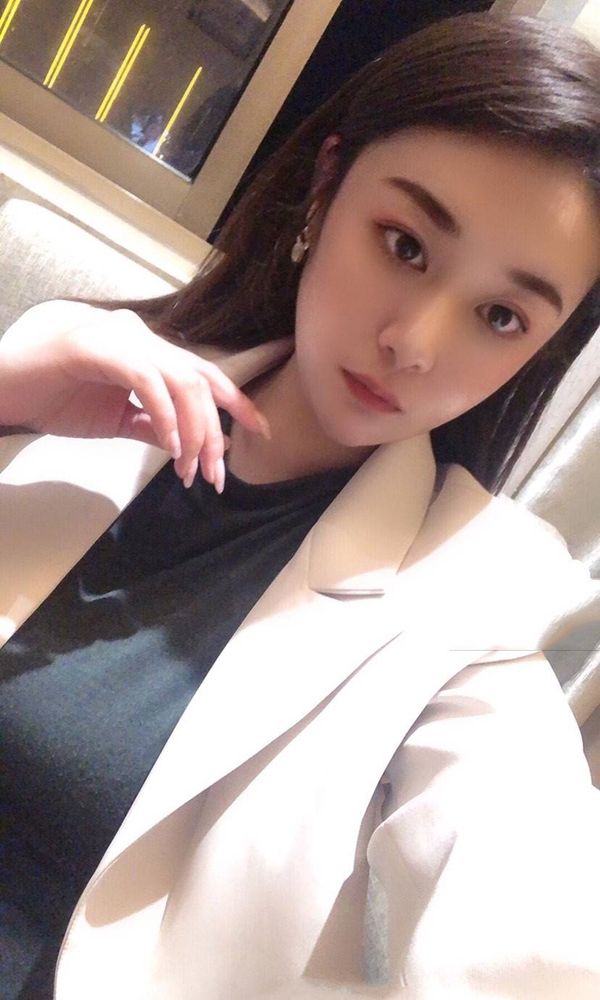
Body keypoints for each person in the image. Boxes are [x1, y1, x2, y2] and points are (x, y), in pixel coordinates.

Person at [1, 10, 600, 1000]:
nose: (415, 342)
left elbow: (531, 926)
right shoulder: (83, 371)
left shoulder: (479, 601)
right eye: (405, 244)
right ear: (325, 188)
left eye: (501, 315)